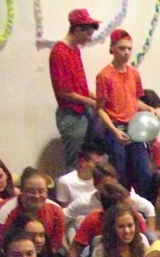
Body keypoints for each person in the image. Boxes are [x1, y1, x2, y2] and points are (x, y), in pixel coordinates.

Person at [94, 30, 153, 196]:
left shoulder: (134, 73)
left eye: (129, 48)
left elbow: (135, 100)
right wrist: (114, 130)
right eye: (122, 48)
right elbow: (100, 108)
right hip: (116, 128)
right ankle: (121, 204)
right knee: (120, 172)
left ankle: (143, 206)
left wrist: (149, 109)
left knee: (143, 172)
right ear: (112, 48)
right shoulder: (104, 76)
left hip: (134, 127)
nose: (126, 52)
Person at [48, 9, 100, 171]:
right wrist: (91, 102)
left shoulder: (75, 50)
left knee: (89, 157)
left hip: (83, 110)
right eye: (88, 34)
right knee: (73, 162)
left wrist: (91, 95)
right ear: (77, 30)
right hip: (71, 114)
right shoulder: (59, 52)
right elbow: (64, 91)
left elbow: (77, 83)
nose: (89, 38)